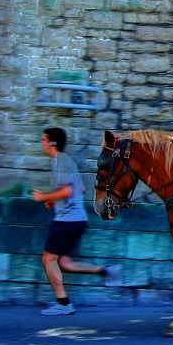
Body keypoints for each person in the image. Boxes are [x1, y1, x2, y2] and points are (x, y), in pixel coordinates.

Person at [32, 127, 118, 315]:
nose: (41, 142)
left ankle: (64, 304)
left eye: (43, 139)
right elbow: (81, 189)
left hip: (67, 221)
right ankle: (105, 271)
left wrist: (43, 197)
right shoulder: (63, 162)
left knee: (48, 259)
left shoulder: (61, 161)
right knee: (64, 263)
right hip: (76, 220)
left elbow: (68, 191)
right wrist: (54, 201)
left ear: (52, 143)